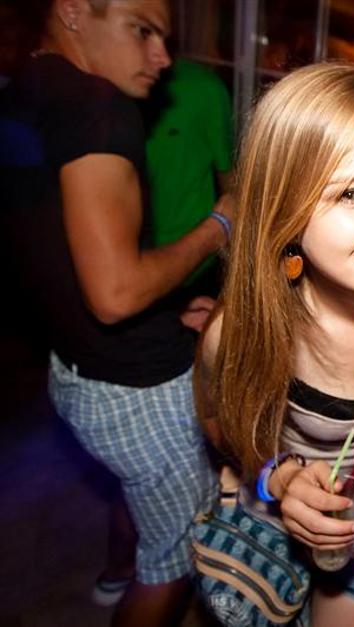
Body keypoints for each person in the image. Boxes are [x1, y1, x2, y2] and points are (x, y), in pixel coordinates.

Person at [197, 62, 354, 627]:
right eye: (353, 193)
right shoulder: (241, 330)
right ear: (285, 214)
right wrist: (280, 478)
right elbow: (219, 421)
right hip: (271, 523)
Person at [0, 1, 229, 625]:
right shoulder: (99, 106)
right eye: (141, 30)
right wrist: (220, 223)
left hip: (74, 370)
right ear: (74, 11)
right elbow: (116, 293)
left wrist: (169, 309)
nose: (162, 57)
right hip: (137, 390)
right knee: (174, 559)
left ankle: (114, 569)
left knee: (141, 496)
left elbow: (64, 258)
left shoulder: (22, 91)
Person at [142, 57, 234, 291]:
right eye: (144, 36)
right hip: (132, 265)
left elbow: (230, 181)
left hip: (198, 262)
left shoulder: (204, 88)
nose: (159, 53)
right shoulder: (100, 106)